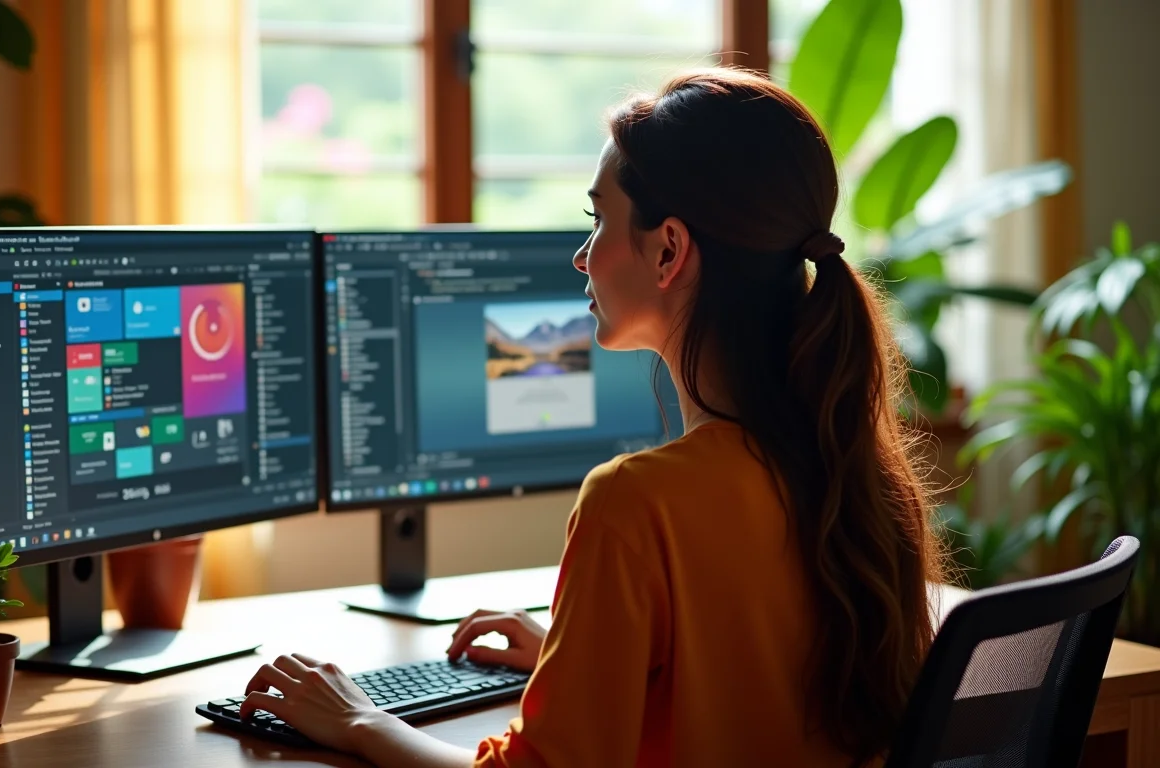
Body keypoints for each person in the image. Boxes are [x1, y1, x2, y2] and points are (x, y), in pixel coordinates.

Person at [239, 67, 945, 767]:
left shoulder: (636, 503)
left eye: (597, 218)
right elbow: (758, 690)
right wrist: (575, 655)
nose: (582, 255)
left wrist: (358, 720)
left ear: (668, 249)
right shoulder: (855, 470)